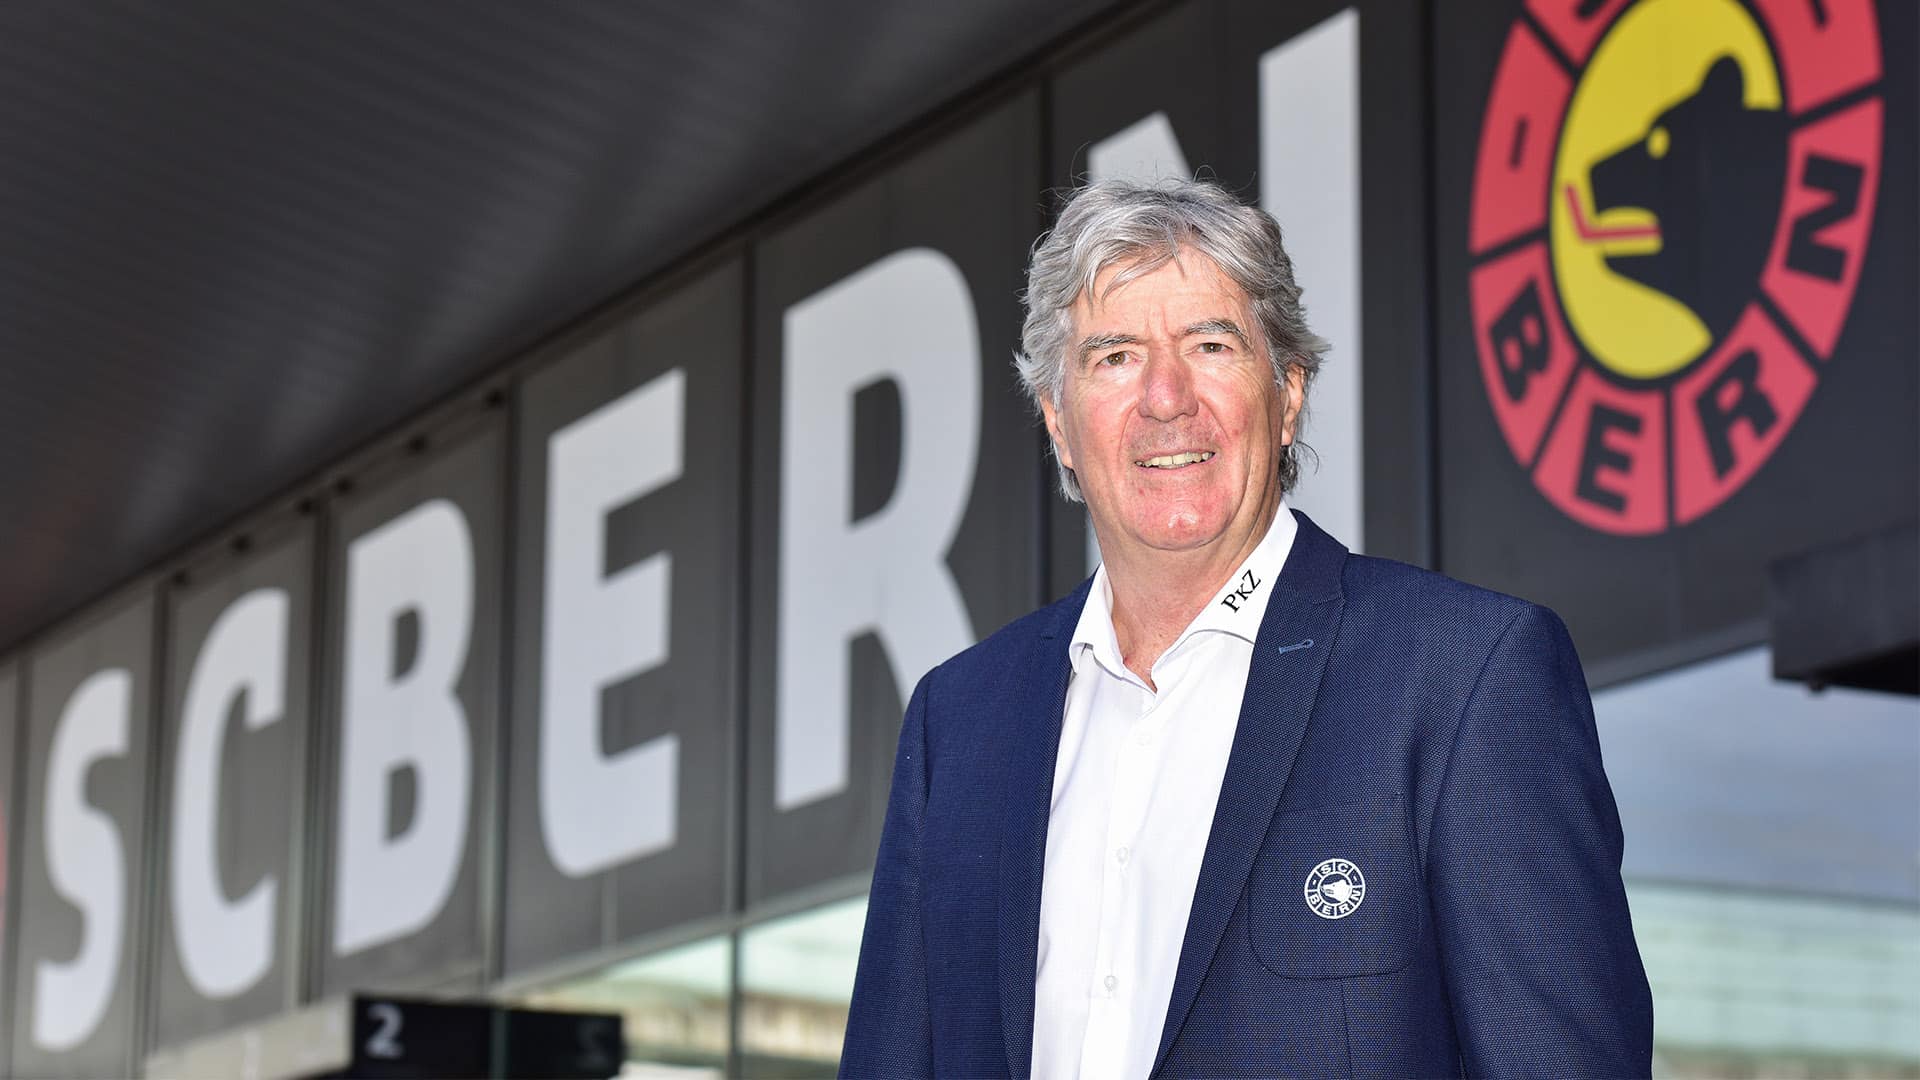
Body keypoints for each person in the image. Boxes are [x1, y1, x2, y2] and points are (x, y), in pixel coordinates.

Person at [839, 178, 1652, 1078]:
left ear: (1288, 392)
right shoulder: (957, 723)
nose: (1165, 397)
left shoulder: (1463, 678)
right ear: (1058, 422)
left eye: (1210, 344)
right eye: (1115, 356)